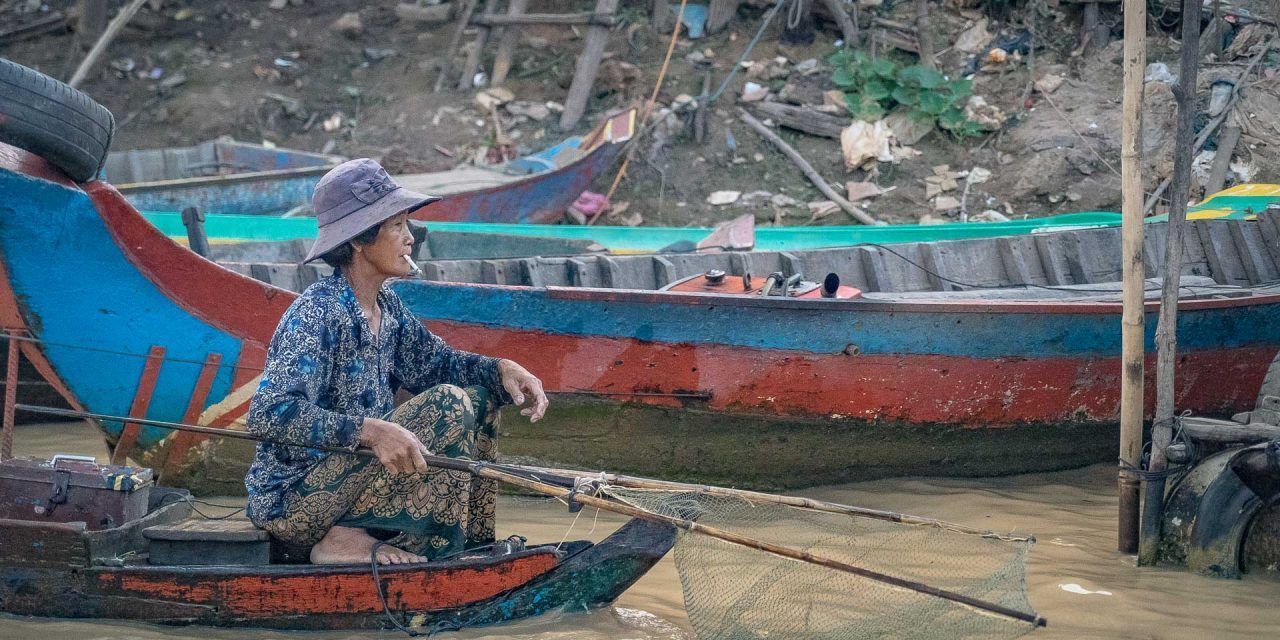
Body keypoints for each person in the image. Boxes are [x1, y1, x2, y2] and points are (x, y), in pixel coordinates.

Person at [244, 158, 548, 565]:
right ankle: (342, 540)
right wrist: (371, 431)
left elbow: (438, 364)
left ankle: (466, 547)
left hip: (356, 487)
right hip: (294, 503)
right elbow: (267, 416)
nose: (410, 239)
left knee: (476, 398)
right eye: (396, 226)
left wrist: (502, 370)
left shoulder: (388, 308)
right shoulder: (316, 313)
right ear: (358, 240)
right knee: (447, 403)